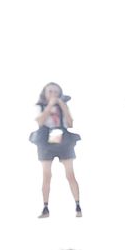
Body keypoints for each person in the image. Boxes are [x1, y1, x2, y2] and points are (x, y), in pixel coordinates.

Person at [33, 82, 83, 218]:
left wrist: (63, 106)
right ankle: (45, 207)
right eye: (50, 91)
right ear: (45, 93)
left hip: (63, 140)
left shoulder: (63, 106)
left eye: (56, 92)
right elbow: (40, 121)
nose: (53, 94)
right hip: (45, 142)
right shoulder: (40, 106)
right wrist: (50, 106)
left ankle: (78, 205)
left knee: (70, 174)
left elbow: (70, 123)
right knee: (46, 175)